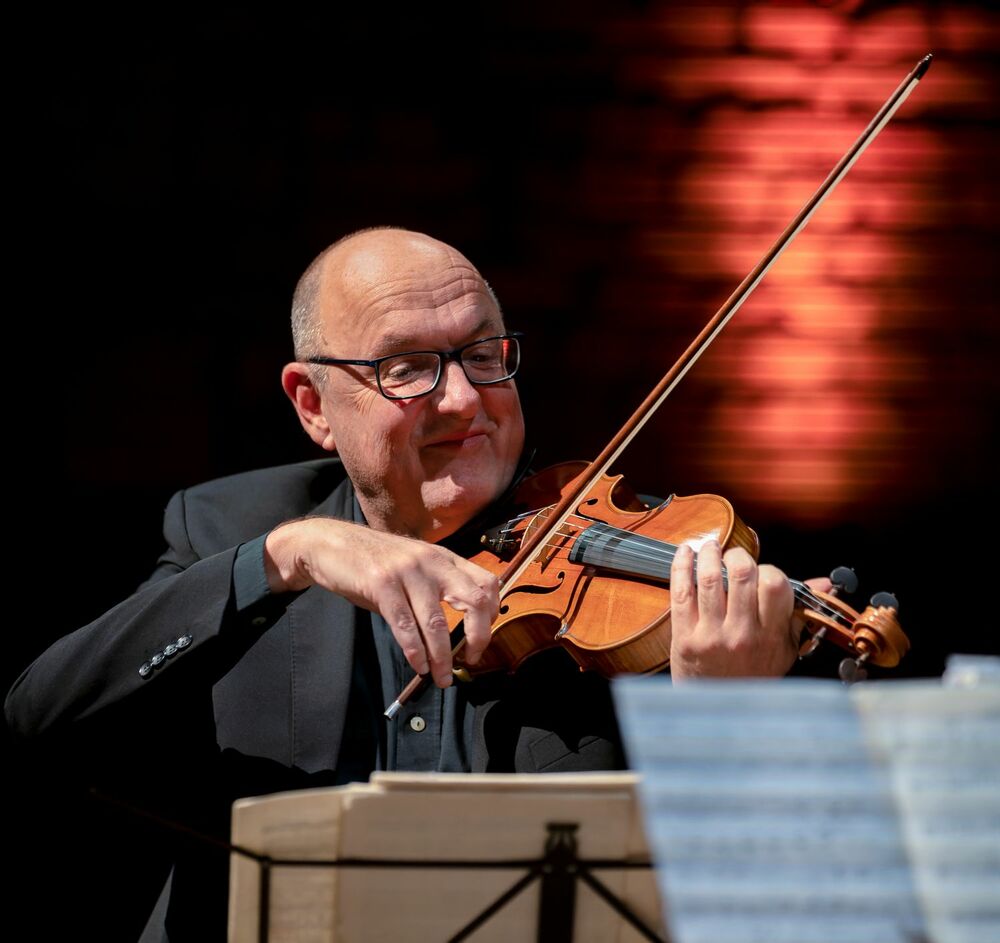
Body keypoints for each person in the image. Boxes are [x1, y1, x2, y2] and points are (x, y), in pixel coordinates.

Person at [6, 228, 820, 940]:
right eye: (408, 368)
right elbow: (40, 718)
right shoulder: (229, 528)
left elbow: (742, 906)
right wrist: (289, 556)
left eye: (481, 354)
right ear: (314, 405)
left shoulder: (621, 594)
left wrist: (725, 720)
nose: (463, 399)